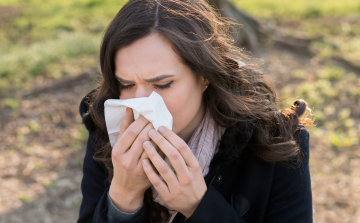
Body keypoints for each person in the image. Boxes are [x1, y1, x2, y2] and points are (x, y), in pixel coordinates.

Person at [77, 0, 314, 222]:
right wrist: (123, 199)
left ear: (204, 76)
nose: (141, 103)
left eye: (162, 85)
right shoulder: (108, 132)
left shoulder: (277, 141)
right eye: (126, 85)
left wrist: (199, 206)